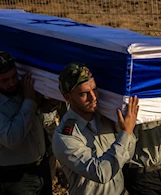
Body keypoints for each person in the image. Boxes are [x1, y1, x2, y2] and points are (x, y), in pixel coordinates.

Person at [52, 63, 139, 195]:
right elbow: (101, 173)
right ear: (68, 97)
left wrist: (125, 133)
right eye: (84, 94)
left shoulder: (105, 118)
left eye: (95, 89)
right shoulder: (65, 137)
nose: (93, 98)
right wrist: (126, 133)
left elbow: (127, 155)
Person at [0, 51, 52, 195]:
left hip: (40, 169)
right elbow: (13, 139)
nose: (12, 83)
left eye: (14, 76)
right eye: (5, 80)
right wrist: (29, 101)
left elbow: (41, 114)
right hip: (13, 177)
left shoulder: (20, 90)